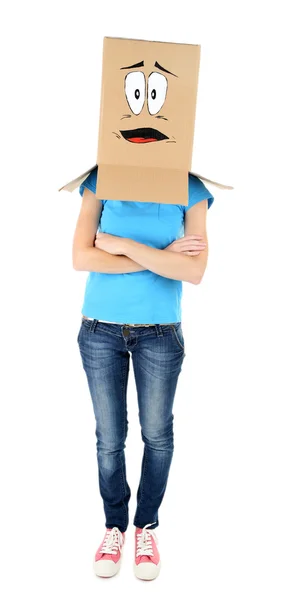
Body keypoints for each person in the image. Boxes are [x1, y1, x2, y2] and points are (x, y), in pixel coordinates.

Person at [74, 165, 214, 580]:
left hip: (160, 332)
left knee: (157, 434)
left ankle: (145, 527)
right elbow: (81, 256)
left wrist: (118, 245)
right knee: (109, 437)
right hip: (100, 329)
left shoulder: (191, 188)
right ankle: (114, 526)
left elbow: (194, 270)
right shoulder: (100, 180)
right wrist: (161, 257)